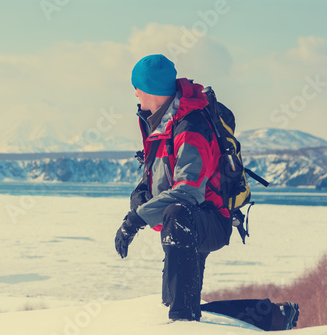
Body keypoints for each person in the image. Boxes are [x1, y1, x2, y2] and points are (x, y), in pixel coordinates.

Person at [114, 54, 300, 330]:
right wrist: (140, 197)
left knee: (182, 309)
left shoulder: (190, 127)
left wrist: (136, 220)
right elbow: (156, 174)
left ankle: (184, 326)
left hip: (207, 220)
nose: (136, 95)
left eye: (137, 88)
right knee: (174, 301)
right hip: (185, 223)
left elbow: (188, 192)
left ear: (151, 91)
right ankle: (273, 317)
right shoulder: (161, 120)